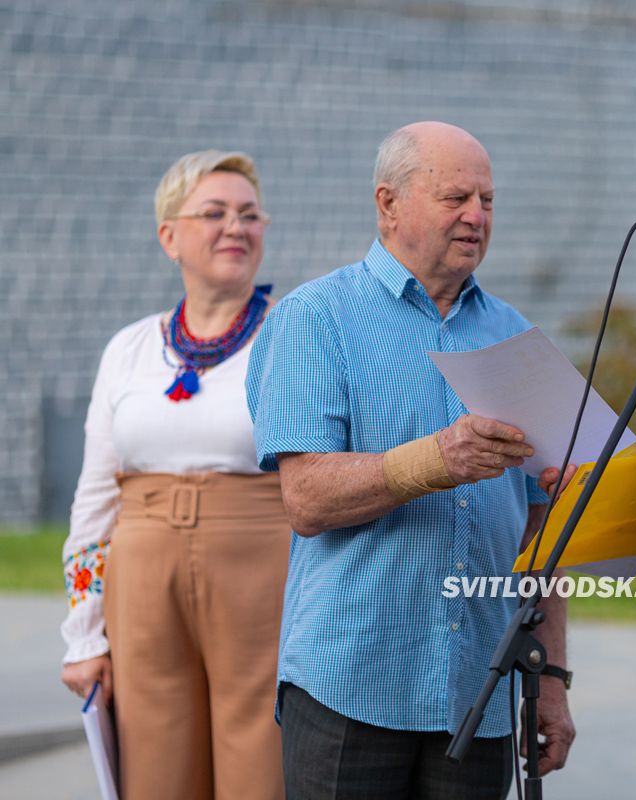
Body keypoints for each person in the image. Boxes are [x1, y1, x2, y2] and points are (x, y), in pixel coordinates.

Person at [245, 121, 575, 799]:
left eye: (488, 200)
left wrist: (551, 681)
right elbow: (306, 499)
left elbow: (544, 527)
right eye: (456, 197)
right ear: (388, 203)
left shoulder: (518, 338)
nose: (477, 216)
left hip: (477, 696)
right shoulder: (315, 319)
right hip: (349, 687)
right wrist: (436, 460)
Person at [59, 150, 288, 799]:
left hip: (259, 573)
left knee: (259, 766)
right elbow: (96, 497)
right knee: (154, 768)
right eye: (213, 213)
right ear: (169, 237)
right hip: (142, 578)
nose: (235, 228)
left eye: (249, 214)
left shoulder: (292, 339)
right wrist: (82, 631)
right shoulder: (130, 348)